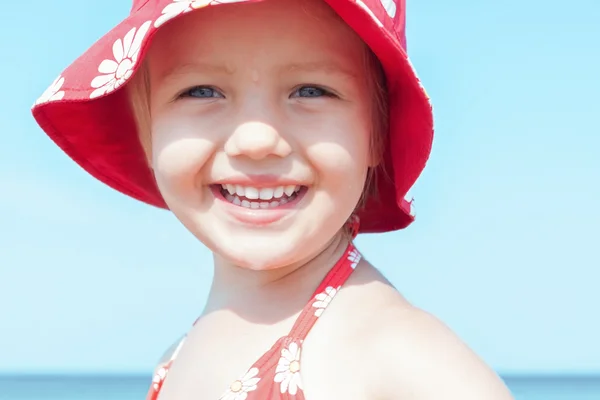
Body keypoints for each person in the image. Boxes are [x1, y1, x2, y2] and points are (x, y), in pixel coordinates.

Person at [31, 0, 515, 398]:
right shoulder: (177, 356)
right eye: (201, 91)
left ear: (376, 134)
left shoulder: (401, 360)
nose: (257, 140)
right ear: (147, 133)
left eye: (311, 89)